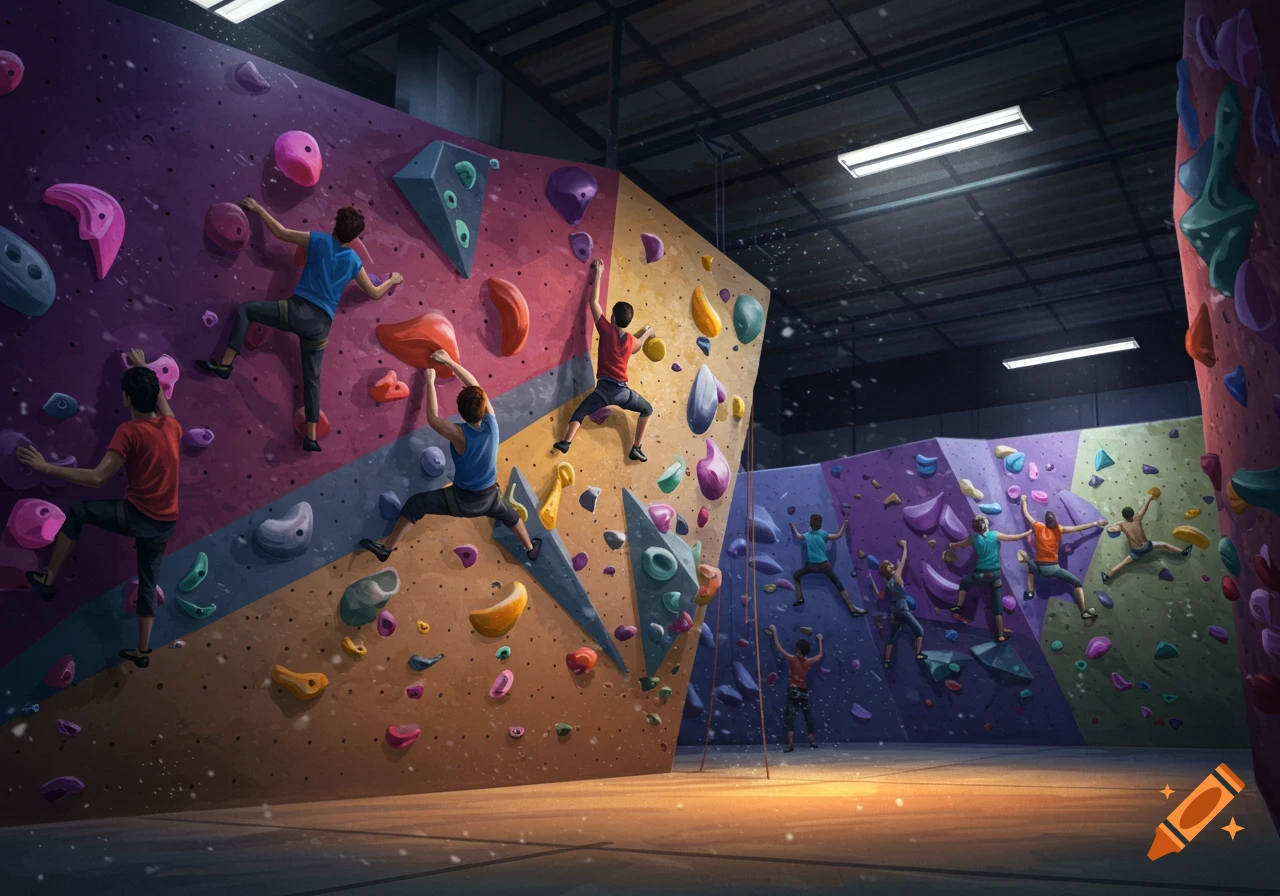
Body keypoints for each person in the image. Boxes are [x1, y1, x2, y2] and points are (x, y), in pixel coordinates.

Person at [196, 198, 403, 452]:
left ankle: (225, 364)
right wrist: (392, 279)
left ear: (335, 224)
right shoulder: (353, 261)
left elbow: (281, 232)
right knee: (311, 378)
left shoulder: (319, 240)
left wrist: (259, 209)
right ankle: (311, 437)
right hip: (321, 326)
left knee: (246, 311)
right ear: (354, 237)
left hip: (297, 311)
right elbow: (374, 292)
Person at [18, 350, 181, 669]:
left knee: (79, 511)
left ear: (126, 398)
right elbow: (161, 399)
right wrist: (142, 369)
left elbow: (97, 477)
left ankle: (48, 579)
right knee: (148, 582)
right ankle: (142, 651)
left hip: (137, 516)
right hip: (166, 522)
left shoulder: (129, 431)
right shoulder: (172, 426)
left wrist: (45, 467)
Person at [359, 350, 541, 563]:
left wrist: (429, 380)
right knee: (511, 517)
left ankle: (387, 548)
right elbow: (474, 384)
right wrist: (449, 361)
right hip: (490, 497)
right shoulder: (492, 423)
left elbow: (433, 418)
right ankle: (530, 548)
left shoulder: (459, 434)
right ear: (482, 406)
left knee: (416, 504)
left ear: (461, 412)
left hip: (462, 500)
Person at [553, 258, 655, 462]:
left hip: (603, 391)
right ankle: (636, 448)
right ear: (628, 322)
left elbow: (593, 302)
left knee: (581, 411)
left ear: (613, 318)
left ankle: (566, 441)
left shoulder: (607, 331)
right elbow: (638, 346)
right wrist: (648, 332)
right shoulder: (631, 341)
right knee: (647, 409)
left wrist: (598, 273)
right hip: (623, 393)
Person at [1017, 494, 1105, 619]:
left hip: (1038, 566)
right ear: (1055, 522)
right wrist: (1095, 523)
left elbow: (1027, 515)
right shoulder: (1059, 529)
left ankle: (1030, 592)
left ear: (1046, 522)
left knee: (1030, 568)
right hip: (1053, 568)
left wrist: (1024, 501)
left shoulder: (1038, 526)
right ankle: (1084, 610)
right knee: (1077, 583)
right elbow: (1077, 528)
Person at [947, 515, 1027, 642]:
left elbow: (959, 545)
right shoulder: (994, 535)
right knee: (997, 606)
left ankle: (959, 605)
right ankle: (1001, 634)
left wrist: (952, 545)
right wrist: (1028, 532)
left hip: (980, 575)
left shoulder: (973, 538)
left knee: (965, 583)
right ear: (985, 524)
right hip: (995, 575)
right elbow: (1014, 537)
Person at [1101, 490, 1192, 583]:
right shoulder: (1138, 518)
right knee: (1163, 544)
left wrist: (1118, 523)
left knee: (1122, 564)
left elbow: (1110, 529)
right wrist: (1150, 497)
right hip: (1147, 546)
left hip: (1137, 552)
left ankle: (1107, 576)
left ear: (1124, 517)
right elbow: (1145, 507)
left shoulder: (1122, 525)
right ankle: (1182, 552)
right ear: (1133, 514)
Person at [788, 513, 866, 615]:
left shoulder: (807, 535)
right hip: (824, 565)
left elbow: (798, 536)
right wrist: (845, 524)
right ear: (820, 524)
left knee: (796, 575)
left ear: (810, 524)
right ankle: (852, 608)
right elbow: (838, 535)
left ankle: (800, 598)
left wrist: (793, 527)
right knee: (838, 584)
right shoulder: (823, 534)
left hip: (811, 566)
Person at [766, 625, 823, 752]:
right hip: (804, 692)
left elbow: (779, 648)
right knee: (808, 716)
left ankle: (791, 744)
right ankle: (813, 742)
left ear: (797, 649)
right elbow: (820, 655)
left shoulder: (792, 659)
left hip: (793, 691)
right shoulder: (808, 662)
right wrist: (820, 639)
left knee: (791, 717)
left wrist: (774, 631)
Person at [880, 539, 925, 668]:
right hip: (902, 609)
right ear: (889, 570)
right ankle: (918, 653)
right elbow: (904, 559)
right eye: (889, 565)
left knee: (893, 636)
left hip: (894, 611)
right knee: (920, 631)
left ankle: (886, 661)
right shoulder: (896, 576)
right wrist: (905, 546)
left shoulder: (888, 583)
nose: (891, 565)